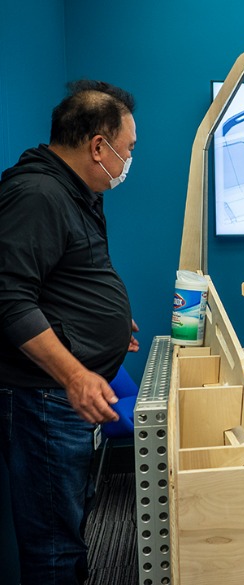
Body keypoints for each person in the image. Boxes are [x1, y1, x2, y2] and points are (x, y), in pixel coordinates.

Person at [0, 80, 139, 585]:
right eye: (127, 149)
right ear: (97, 146)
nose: (128, 161)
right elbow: (8, 298)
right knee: (55, 544)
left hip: (63, 399)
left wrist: (107, 322)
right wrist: (76, 374)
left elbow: (64, 277)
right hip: (46, 399)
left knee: (71, 525)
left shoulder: (75, 191)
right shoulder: (36, 194)